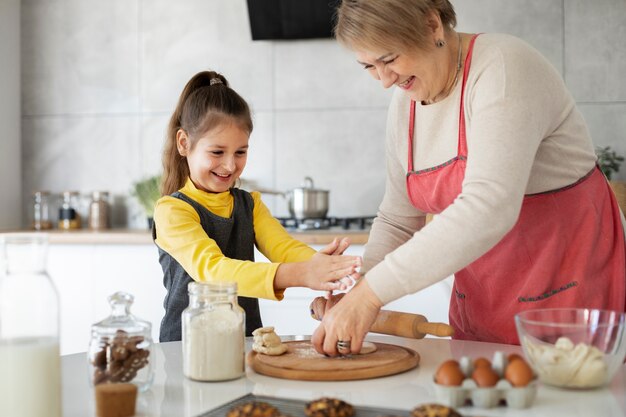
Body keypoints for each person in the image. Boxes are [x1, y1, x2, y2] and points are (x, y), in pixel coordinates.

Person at [312, 0, 626, 355]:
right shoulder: (405, 103)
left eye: (389, 59)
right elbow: (399, 218)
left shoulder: (504, 67)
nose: (384, 81)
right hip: (483, 307)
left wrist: (370, 296)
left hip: (570, 296)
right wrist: (358, 289)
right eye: (369, 66)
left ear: (432, 26)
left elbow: (489, 206)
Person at [153, 70, 361, 342]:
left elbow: (283, 248)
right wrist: (304, 274)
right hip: (184, 347)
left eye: (240, 152)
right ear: (184, 143)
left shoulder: (249, 204)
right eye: (217, 152)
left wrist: (322, 265)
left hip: (245, 341)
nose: (230, 165)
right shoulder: (172, 211)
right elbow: (215, 272)